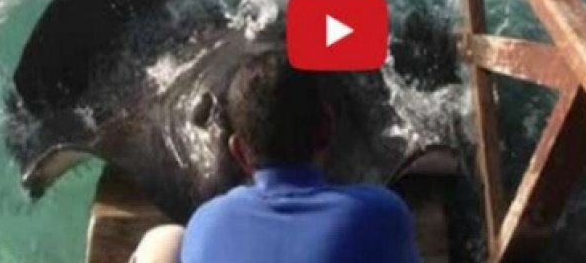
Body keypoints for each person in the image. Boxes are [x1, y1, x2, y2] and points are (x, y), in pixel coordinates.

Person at [179, 51, 422, 263]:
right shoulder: (379, 213)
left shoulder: (205, 223)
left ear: (239, 152)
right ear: (327, 128)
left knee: (165, 239)